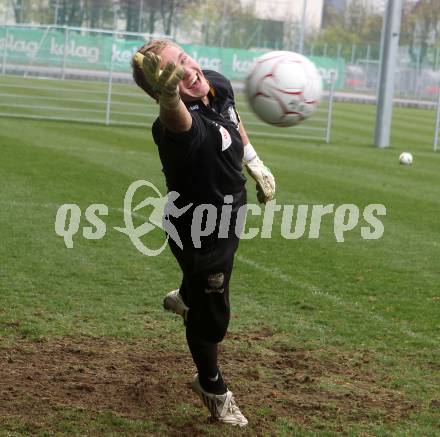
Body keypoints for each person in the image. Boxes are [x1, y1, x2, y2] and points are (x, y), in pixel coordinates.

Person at [131, 40, 275, 427]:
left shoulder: (217, 84)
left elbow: (232, 117)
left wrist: (254, 161)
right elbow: (181, 121)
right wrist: (169, 98)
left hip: (230, 213)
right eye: (174, 72)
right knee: (212, 318)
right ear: (162, 88)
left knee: (205, 292)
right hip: (200, 231)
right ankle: (212, 387)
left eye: (184, 58)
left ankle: (187, 294)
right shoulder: (172, 127)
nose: (189, 70)